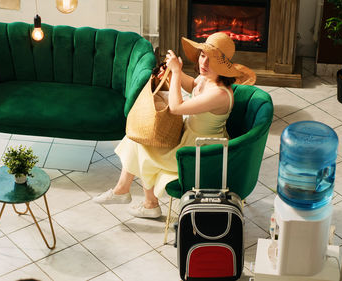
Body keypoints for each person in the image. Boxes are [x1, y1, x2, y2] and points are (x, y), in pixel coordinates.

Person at [93, 32, 256, 218]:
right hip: (190, 137)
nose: (204, 63)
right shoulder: (206, 79)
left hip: (202, 150)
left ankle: (143, 201)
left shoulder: (219, 94)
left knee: (143, 141)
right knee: (139, 136)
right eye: (203, 55)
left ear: (222, 66)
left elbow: (176, 108)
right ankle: (134, 197)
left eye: (212, 60)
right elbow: (192, 85)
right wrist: (172, 69)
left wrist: (177, 72)